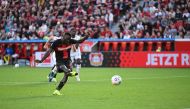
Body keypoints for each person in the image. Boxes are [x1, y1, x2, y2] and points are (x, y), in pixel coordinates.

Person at [35, 30, 89, 95]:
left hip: (67, 61)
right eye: (66, 39)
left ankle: (57, 90)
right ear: (62, 37)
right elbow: (49, 52)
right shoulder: (56, 43)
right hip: (59, 61)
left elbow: (79, 41)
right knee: (64, 68)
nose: (67, 41)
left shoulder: (70, 41)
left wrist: (86, 36)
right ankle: (68, 72)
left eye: (68, 39)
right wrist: (41, 60)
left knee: (66, 76)